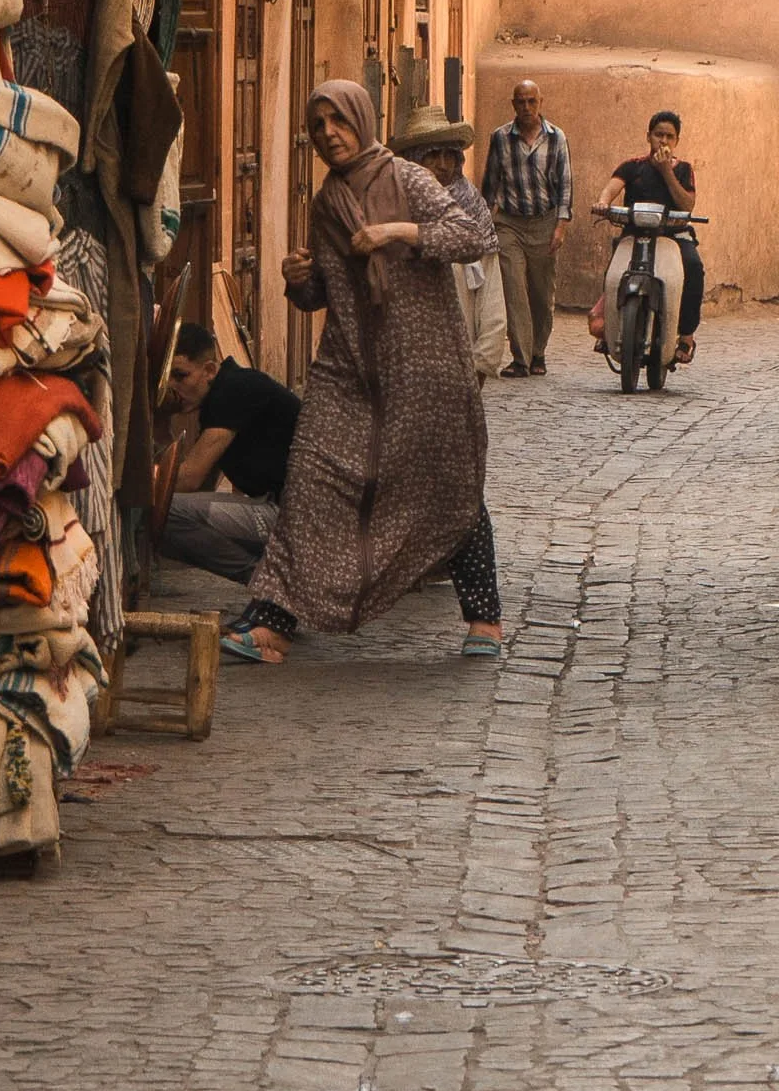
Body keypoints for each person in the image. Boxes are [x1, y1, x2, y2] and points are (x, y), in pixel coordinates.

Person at [222, 79, 504, 665]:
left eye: (339, 121)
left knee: (450, 485)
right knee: (310, 478)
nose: (328, 134)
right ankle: (274, 622)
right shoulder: (327, 201)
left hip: (424, 366)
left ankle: (484, 618)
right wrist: (298, 279)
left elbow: (474, 235)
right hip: (350, 369)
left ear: (362, 121)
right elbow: (325, 290)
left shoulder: (408, 179)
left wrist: (396, 232)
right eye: (318, 125)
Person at [159, 324, 301, 586]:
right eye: (166, 377)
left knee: (165, 513)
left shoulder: (233, 390)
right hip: (288, 512)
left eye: (180, 376)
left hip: (299, 518)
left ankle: (265, 583)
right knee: (167, 512)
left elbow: (189, 478)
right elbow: (199, 484)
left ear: (210, 370)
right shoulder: (222, 395)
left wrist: (133, 482)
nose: (172, 387)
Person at [395, 104, 508, 381]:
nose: (443, 165)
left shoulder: (472, 208)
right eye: (433, 155)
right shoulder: (390, 206)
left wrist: (482, 362)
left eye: (450, 156)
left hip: (457, 357)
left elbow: (491, 294)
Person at [592, 109, 704, 363]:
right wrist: (602, 202)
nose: (663, 141)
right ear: (648, 136)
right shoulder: (633, 167)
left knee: (694, 267)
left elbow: (687, 204)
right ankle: (610, 326)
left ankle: (686, 336)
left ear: (676, 141)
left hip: (673, 235)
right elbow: (612, 187)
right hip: (636, 232)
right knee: (614, 270)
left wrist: (667, 171)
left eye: (669, 136)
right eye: (658, 135)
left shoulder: (684, 170)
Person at [480, 78, 572, 377]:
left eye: (532, 101)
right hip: (509, 224)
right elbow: (490, 185)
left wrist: (560, 226)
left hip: (544, 222)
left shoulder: (557, 138)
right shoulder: (500, 138)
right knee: (514, 288)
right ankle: (520, 357)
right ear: (513, 105)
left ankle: (538, 353)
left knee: (542, 293)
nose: (526, 107)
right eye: (521, 102)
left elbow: (565, 186)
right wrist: (484, 224)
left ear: (540, 102)